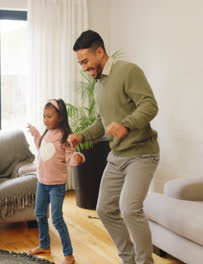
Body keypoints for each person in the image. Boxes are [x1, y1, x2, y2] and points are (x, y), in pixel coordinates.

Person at [68, 30, 160, 264]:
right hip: (117, 156)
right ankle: (128, 260)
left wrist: (126, 125)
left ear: (100, 52)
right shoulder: (99, 85)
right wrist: (81, 135)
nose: (84, 68)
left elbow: (150, 105)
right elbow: (102, 123)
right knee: (105, 210)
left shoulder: (128, 71)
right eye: (80, 63)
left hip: (142, 153)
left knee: (130, 209)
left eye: (85, 61)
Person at [26, 99, 85, 264]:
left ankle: (68, 254)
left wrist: (77, 158)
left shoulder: (65, 137)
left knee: (57, 218)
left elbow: (69, 157)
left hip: (56, 185)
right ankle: (44, 244)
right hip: (42, 182)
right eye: (44, 116)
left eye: (49, 116)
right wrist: (36, 134)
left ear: (60, 117)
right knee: (39, 214)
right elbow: (42, 149)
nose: (45, 119)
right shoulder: (46, 134)